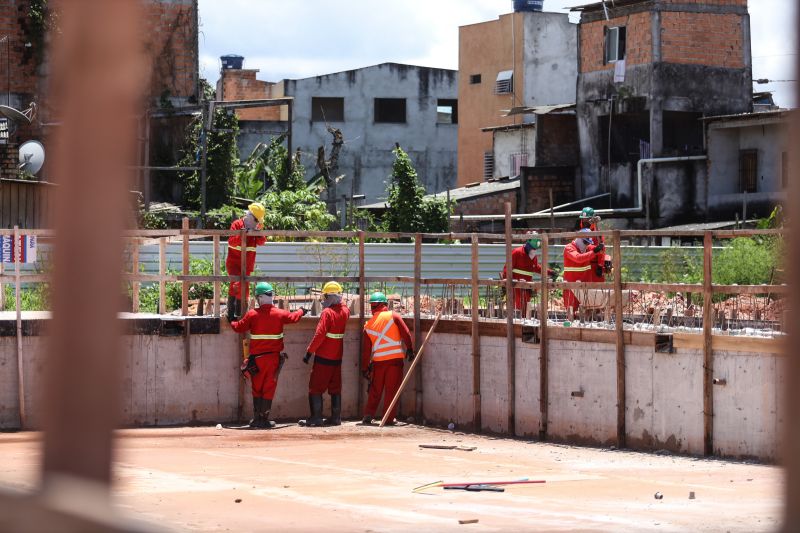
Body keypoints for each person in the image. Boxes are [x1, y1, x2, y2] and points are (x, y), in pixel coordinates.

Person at [231, 282, 307, 429]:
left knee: (257, 388)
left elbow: (238, 327)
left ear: (259, 298)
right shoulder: (279, 314)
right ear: (271, 295)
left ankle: (256, 419)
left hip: (256, 360)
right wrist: (301, 311)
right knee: (269, 388)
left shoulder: (252, 314)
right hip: (272, 360)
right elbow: (294, 317)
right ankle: (264, 419)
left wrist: (231, 320)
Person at [301, 281, 350, 427]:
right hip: (337, 357)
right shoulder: (345, 311)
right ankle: (336, 418)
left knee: (315, 387)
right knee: (335, 388)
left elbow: (319, 335)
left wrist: (309, 352)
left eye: (326, 296)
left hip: (323, 357)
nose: (324, 299)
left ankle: (316, 418)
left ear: (330, 296)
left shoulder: (327, 313)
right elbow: (344, 306)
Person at [361, 292, 414, 426]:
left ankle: (368, 415)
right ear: (384, 304)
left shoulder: (368, 325)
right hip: (395, 361)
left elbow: (366, 351)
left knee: (375, 390)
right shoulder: (393, 316)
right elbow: (406, 333)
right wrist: (410, 349)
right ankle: (388, 419)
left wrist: (364, 368)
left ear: (372, 306)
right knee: (392, 390)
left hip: (378, 362)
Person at [226, 202, 267, 322]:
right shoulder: (237, 224)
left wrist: (257, 232)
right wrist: (243, 233)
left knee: (245, 288)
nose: (257, 222)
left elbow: (262, 242)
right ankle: (231, 313)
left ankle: (240, 315)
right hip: (234, 263)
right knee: (236, 284)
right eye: (256, 220)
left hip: (247, 264)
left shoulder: (256, 228)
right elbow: (231, 242)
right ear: (249, 216)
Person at [500, 235, 556, 314]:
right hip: (516, 285)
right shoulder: (517, 252)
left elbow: (536, 267)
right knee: (517, 306)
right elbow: (508, 266)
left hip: (527, 285)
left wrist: (550, 272)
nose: (534, 251)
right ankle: (516, 320)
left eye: (535, 249)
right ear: (528, 246)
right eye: (533, 249)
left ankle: (524, 318)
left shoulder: (533, 256)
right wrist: (506, 281)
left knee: (526, 306)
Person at [562, 229, 605, 319]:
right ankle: (571, 324)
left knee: (587, 307)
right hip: (571, 284)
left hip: (585, 284)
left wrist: (601, 246)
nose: (586, 245)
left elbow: (600, 250)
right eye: (585, 242)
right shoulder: (569, 248)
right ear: (578, 238)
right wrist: (595, 251)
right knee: (571, 308)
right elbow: (578, 258)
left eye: (588, 243)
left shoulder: (587, 248)